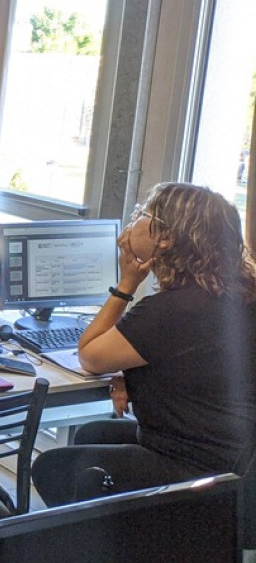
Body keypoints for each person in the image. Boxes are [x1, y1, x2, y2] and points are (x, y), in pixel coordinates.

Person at [31, 182, 256, 506]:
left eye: (143, 214)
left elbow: (90, 356)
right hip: (233, 462)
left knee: (53, 467)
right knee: (93, 434)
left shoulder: (172, 309)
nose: (134, 220)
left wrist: (127, 283)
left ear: (165, 238)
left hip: (201, 471)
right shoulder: (237, 296)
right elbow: (200, 366)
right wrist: (137, 378)